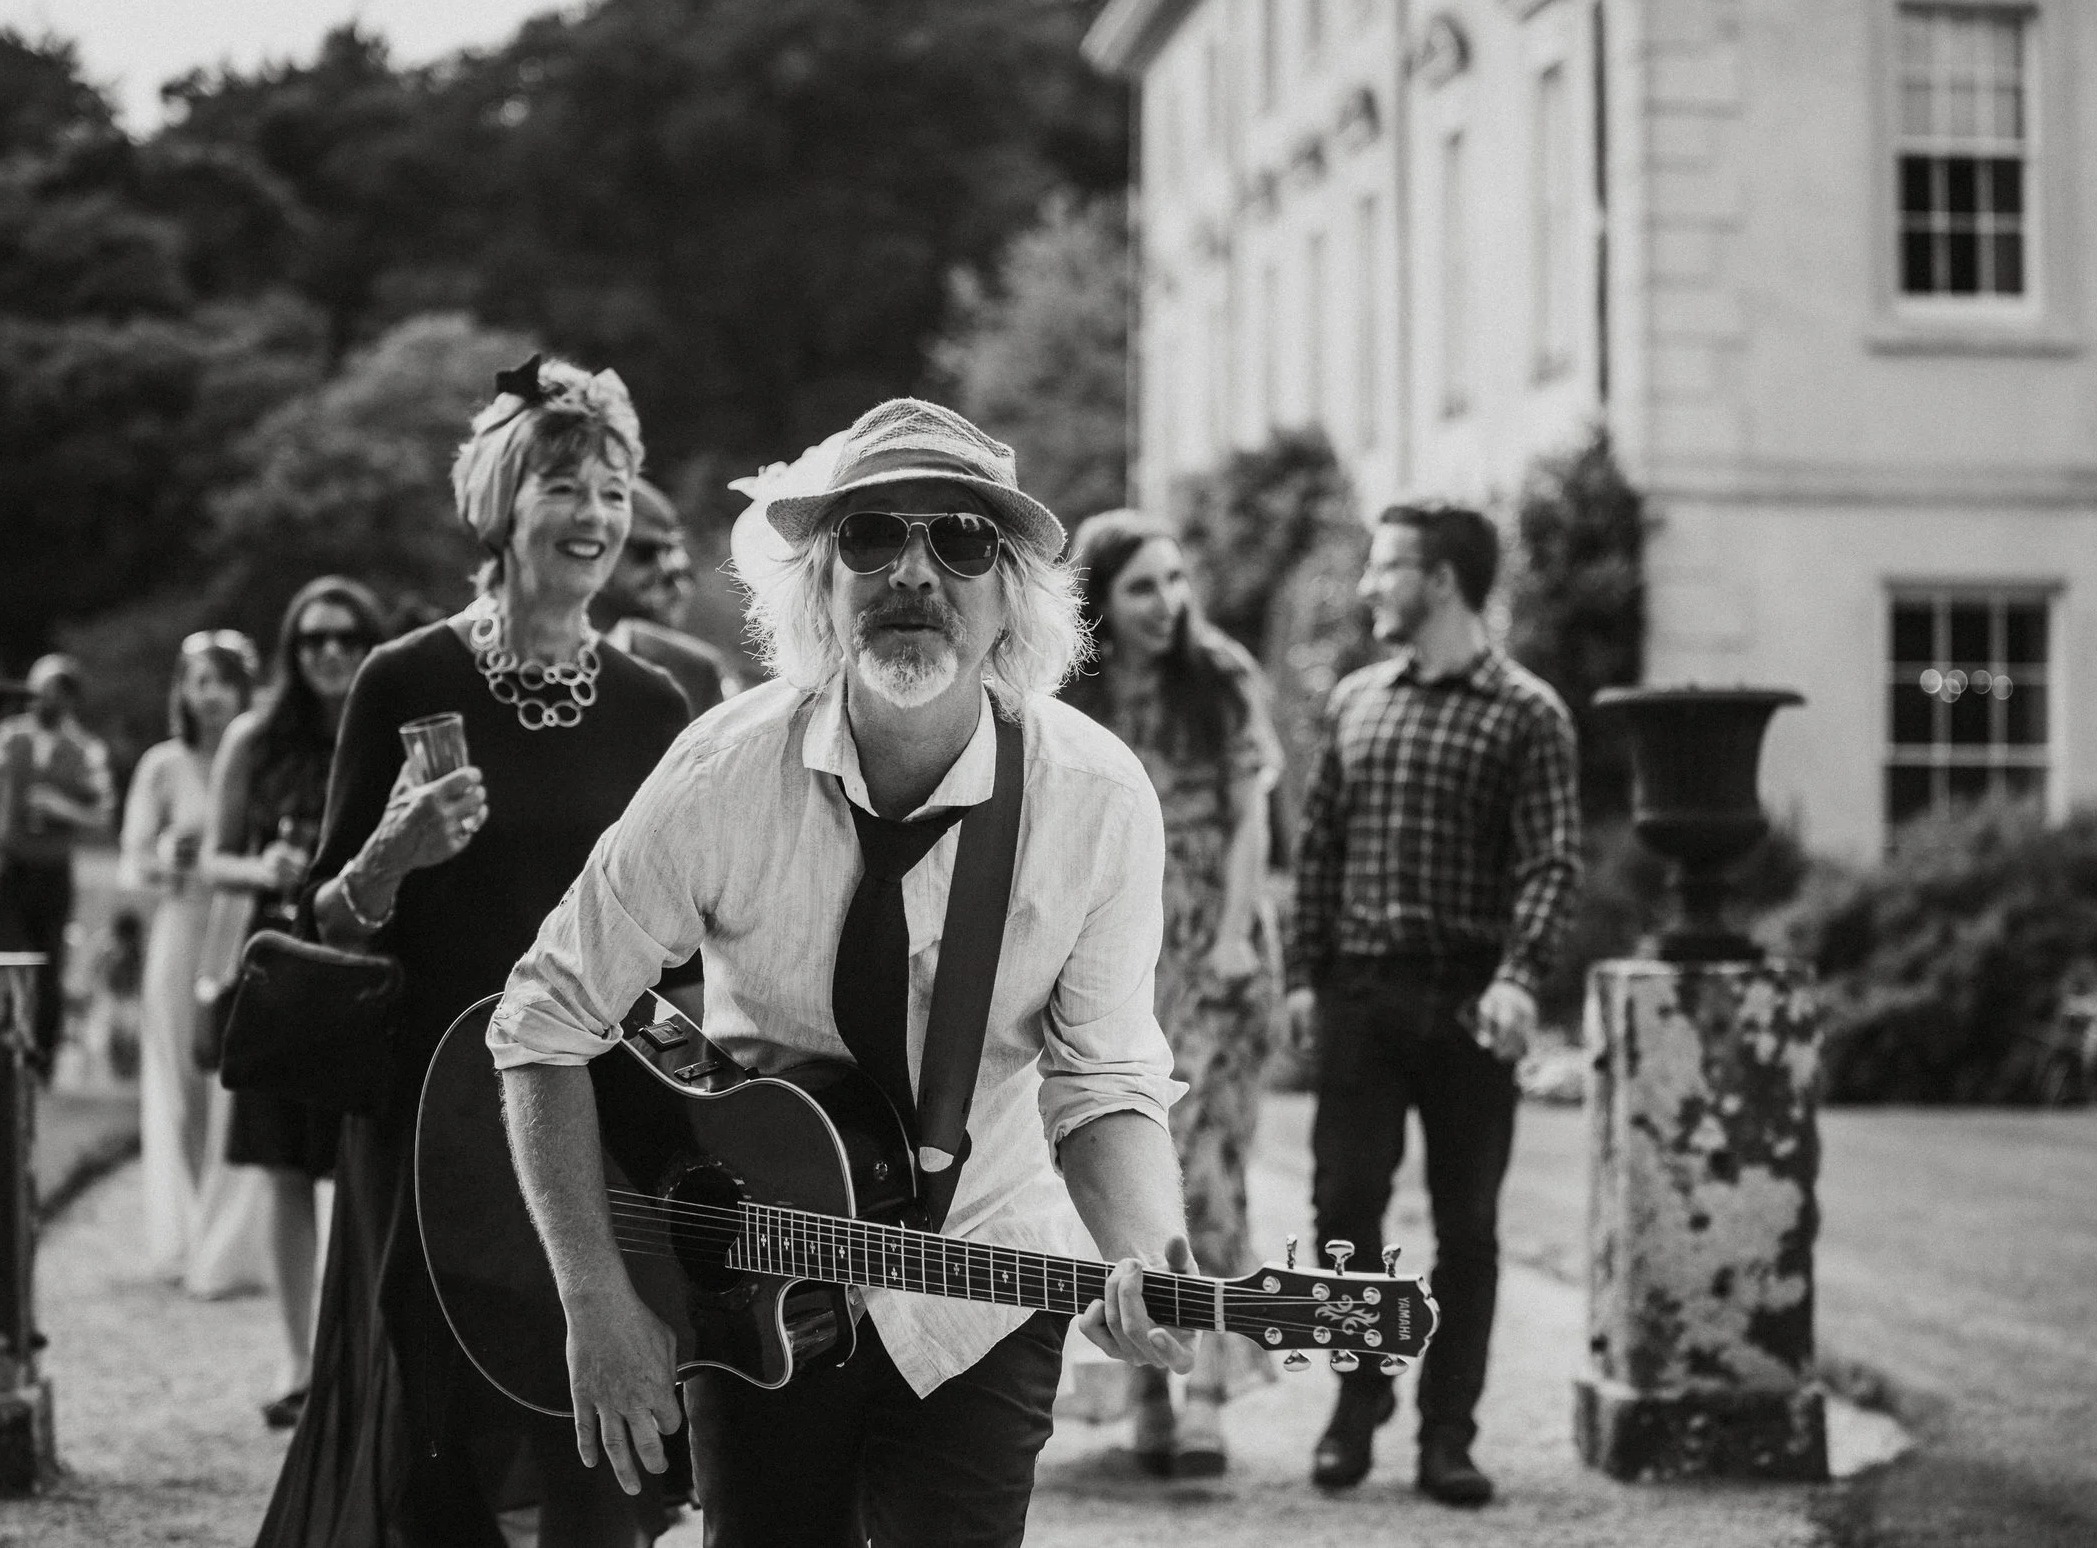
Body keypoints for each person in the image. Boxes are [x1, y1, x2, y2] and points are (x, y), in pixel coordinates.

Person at [491, 398, 1193, 1548]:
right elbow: (541, 1022)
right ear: (818, 582)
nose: (914, 570)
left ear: (1011, 591)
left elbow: (1104, 1080)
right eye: (872, 537)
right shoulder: (723, 773)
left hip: (985, 1268)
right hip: (742, 1270)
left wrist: (1143, 1256)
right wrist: (594, 1294)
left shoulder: (1095, 799)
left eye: (962, 541)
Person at [252, 356, 688, 1548]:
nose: (595, 516)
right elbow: (325, 922)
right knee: (435, 1435)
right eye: (565, 486)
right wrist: (391, 848)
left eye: (612, 490)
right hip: (429, 1112)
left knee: (593, 1419)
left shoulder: (658, 705)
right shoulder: (407, 679)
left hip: (597, 1110)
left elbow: (685, 936)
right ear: (501, 503)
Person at [1287, 500, 1581, 1508]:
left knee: (1469, 1227)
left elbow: (1549, 862)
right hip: (1362, 996)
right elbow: (1318, 849)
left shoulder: (1529, 713)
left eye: (1386, 568)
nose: (1370, 586)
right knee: (1342, 1207)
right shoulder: (1356, 700)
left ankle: (1448, 1434)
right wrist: (1302, 976)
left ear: (1442, 579)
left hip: (1468, 1004)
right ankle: (1358, 1391)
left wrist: (1518, 976)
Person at [1061, 508, 1281, 1479]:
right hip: (1117, 946)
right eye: (1144, 586)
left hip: (1214, 946)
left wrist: (1235, 934)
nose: (1169, 603)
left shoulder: (1221, 674)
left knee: (1208, 1167)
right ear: (1102, 599)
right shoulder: (1076, 688)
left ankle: (1204, 1394)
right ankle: (1146, 1382)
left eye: (1178, 580)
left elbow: (1249, 819)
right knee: (1121, 1162)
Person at [199, 577, 390, 1422]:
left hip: (362, 970)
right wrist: (259, 869)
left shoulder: (385, 729)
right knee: (284, 1171)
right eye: (313, 639)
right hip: (282, 966)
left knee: (359, 1168)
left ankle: (359, 1361)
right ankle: (297, 1362)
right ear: (291, 648)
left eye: (347, 637)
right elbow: (213, 855)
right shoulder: (256, 739)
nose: (331, 653)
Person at [119, 628, 260, 1281]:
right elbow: (132, 862)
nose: (212, 696)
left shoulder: (258, 758)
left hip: (241, 928)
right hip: (181, 929)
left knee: (237, 1080)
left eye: (224, 681)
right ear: (183, 689)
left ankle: (233, 1237)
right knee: (185, 1079)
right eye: (200, 681)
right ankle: (197, 1229)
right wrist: (164, 855)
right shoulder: (162, 765)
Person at [0, 653, 115, 1078]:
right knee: (3, 958)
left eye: (56, 691)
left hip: (51, 871)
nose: (46, 698)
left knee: (47, 965)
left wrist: (63, 808)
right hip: (9, 866)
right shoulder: (8, 738)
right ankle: (1, 1051)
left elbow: (102, 814)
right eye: (39, 689)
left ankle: (42, 1060)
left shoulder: (85, 750)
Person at [592, 475, 749, 718]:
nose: (667, 567)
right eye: (645, 552)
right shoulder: (531, 661)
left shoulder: (694, 671)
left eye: (670, 550)